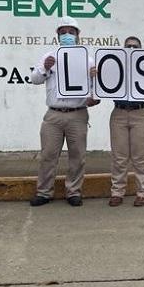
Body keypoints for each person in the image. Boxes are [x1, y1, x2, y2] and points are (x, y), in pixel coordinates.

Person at [28, 16, 99, 207]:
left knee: (78, 155)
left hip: (78, 113)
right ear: (57, 35)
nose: (67, 35)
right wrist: (46, 67)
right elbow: (34, 79)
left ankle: (74, 191)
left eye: (71, 32)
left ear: (78, 35)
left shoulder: (88, 60)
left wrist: (94, 96)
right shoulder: (49, 56)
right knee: (48, 155)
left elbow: (96, 91)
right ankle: (44, 192)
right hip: (53, 114)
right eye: (63, 32)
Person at [93, 35, 144, 207]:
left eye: (135, 46)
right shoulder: (114, 67)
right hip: (119, 112)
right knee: (119, 156)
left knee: (140, 155)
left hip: (140, 112)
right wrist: (95, 75)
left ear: (140, 49)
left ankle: (142, 192)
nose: (131, 48)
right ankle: (117, 192)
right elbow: (100, 88)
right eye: (128, 46)